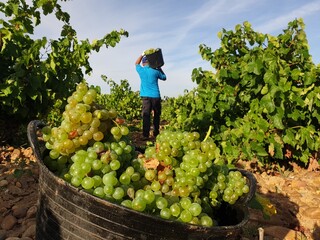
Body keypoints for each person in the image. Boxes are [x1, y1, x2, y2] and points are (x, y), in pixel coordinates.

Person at [135, 52, 166, 140]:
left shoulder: (142, 70)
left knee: (146, 116)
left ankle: (145, 135)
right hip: (156, 96)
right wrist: (159, 67)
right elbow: (164, 77)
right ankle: (156, 133)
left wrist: (141, 54)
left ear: (144, 63)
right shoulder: (156, 70)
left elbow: (136, 63)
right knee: (156, 115)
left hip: (146, 97)